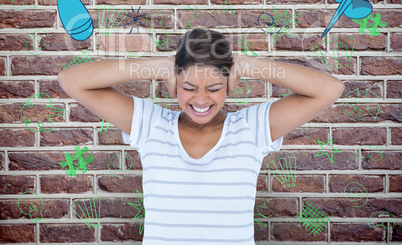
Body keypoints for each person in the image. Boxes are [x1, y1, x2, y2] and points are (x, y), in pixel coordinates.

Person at [58, 28, 344, 244]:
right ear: (174, 83)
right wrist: (158, 66)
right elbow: (71, 80)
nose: (201, 98)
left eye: (214, 87)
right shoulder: (151, 125)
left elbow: (329, 89)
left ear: (229, 85)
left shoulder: (252, 129)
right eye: (189, 86)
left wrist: (246, 65)